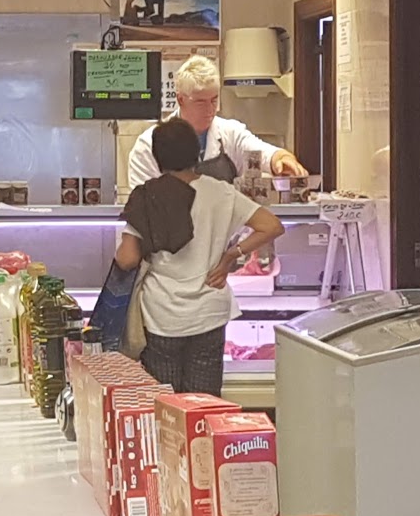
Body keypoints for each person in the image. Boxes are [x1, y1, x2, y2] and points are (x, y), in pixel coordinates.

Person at [115, 118, 286, 396]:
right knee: (203, 405)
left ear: (157, 157)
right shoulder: (221, 192)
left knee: (166, 406)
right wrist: (230, 256)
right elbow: (272, 226)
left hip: (162, 316)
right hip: (209, 312)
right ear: (196, 153)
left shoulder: (146, 196)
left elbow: (127, 259)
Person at [127, 55, 308, 189]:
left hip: (223, 230)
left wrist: (282, 159)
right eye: (200, 102)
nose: (210, 109)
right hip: (171, 229)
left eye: (214, 100)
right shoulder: (149, 145)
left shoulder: (231, 133)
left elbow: (266, 154)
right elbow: (144, 206)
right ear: (181, 99)